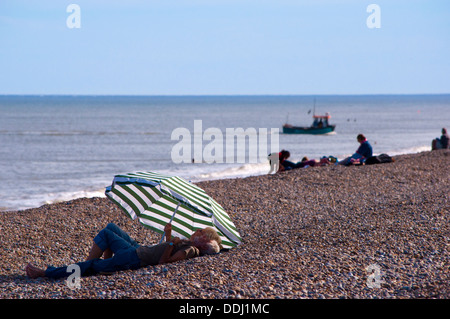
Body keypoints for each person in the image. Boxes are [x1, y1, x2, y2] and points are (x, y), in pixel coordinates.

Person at [25, 222, 222, 279]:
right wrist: (169, 235)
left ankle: (46, 272)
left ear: (205, 242)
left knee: (93, 264)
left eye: (202, 233)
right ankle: (97, 266)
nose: (198, 232)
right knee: (111, 229)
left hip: (135, 258)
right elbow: (168, 249)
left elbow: (166, 262)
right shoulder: (189, 244)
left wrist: (170, 244)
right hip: (138, 251)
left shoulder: (191, 251)